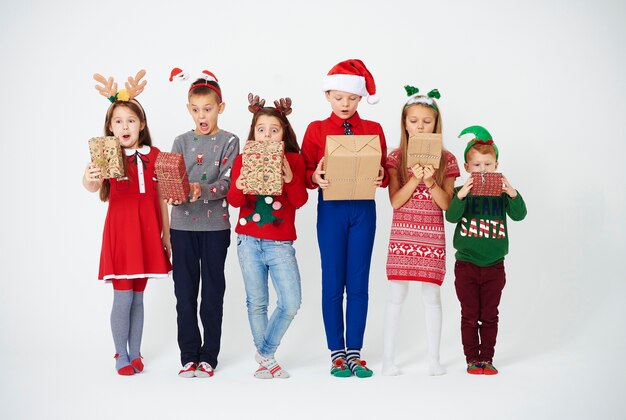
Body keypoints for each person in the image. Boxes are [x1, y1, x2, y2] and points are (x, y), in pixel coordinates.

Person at [301, 59, 388, 378]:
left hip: (364, 210)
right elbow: (305, 173)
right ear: (327, 94)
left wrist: (382, 174)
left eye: (352, 98)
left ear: (361, 97)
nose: (345, 104)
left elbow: (387, 174)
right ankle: (336, 351)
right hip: (332, 210)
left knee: (359, 282)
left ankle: (355, 351)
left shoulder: (373, 129)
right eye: (339, 97)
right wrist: (316, 177)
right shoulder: (316, 129)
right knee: (333, 281)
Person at [83, 70, 172, 375]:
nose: (125, 126)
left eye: (131, 120)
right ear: (110, 127)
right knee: (122, 298)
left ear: (142, 125)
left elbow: (162, 199)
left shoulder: (156, 155)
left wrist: (167, 237)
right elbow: (93, 185)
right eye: (118, 121)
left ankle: (136, 352)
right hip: (121, 236)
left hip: (148, 235)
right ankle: (120, 353)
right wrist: (88, 177)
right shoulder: (107, 157)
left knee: (138, 297)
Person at [227, 95, 308, 379]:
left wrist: (288, 178)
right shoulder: (242, 159)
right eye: (261, 129)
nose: (267, 135)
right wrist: (238, 183)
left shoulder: (295, 161)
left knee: (291, 302)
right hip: (248, 240)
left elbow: (299, 201)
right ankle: (268, 360)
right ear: (253, 132)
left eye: (274, 130)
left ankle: (264, 351)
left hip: (280, 242)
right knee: (257, 302)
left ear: (284, 133)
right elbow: (235, 201)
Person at [382, 86, 460, 376]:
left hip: (431, 235)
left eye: (426, 121)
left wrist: (430, 182)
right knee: (396, 295)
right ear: (404, 123)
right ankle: (389, 360)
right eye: (413, 120)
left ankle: (433, 359)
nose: (420, 126)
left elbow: (446, 206)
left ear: (436, 124)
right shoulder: (395, 157)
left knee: (432, 297)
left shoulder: (448, 159)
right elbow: (395, 201)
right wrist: (415, 179)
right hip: (403, 236)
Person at [168, 68, 240, 378]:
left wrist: (202, 190)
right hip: (182, 227)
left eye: (208, 109)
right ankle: (188, 355)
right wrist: (173, 193)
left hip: (215, 228)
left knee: (212, 291)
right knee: (184, 293)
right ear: (189, 109)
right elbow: (171, 179)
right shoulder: (180, 141)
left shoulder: (230, 141)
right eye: (196, 109)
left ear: (220, 108)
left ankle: (209, 355)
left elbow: (229, 183)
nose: (202, 115)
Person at [446, 125, 527, 375]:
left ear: (496, 165)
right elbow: (451, 217)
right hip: (467, 265)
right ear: (468, 167)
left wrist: (512, 193)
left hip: (494, 265)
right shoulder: (462, 192)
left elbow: (520, 215)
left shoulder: (502, 194)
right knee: (470, 315)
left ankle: (487, 358)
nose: (483, 170)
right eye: (477, 165)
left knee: (490, 315)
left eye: (488, 165)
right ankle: (472, 359)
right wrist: (461, 196)